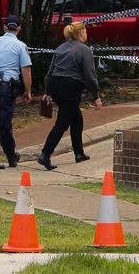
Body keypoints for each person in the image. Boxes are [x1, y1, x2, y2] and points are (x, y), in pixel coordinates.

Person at [37, 21, 102, 171]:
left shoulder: (60, 48)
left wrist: (47, 91)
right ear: (80, 33)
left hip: (56, 85)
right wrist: (96, 96)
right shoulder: (84, 50)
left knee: (77, 119)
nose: (86, 33)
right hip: (70, 87)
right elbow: (90, 75)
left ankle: (79, 152)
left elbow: (50, 71)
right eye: (85, 31)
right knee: (62, 123)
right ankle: (45, 154)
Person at [0, 15, 32, 169]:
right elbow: (26, 70)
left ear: (4, 28)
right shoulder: (20, 46)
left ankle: (11, 156)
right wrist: (28, 91)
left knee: (3, 121)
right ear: (19, 28)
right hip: (6, 87)